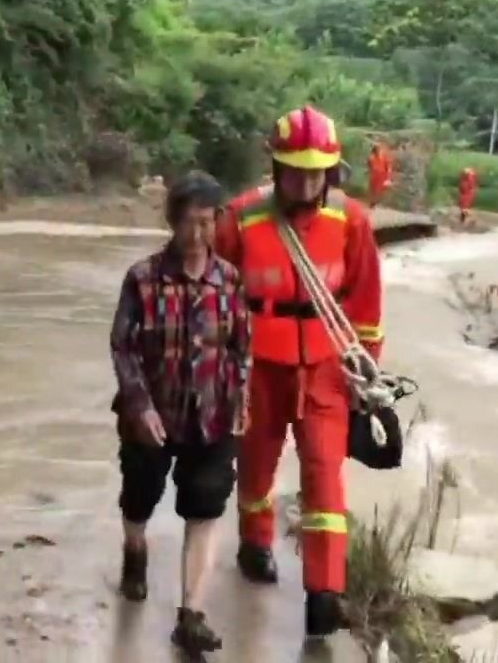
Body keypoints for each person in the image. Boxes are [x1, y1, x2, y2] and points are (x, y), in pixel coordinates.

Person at [215, 105, 383, 638]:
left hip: (328, 367)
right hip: (257, 363)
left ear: (331, 172)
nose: (306, 181)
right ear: (276, 166)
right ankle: (255, 541)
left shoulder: (350, 220)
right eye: (295, 170)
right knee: (257, 467)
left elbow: (365, 302)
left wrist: (366, 377)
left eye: (317, 171)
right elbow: (217, 298)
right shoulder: (241, 217)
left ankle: (324, 591)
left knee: (324, 476)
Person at [111, 171, 251, 656]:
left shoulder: (229, 280)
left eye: (207, 223)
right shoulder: (143, 277)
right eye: (189, 223)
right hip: (151, 415)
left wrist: (239, 400)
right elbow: (123, 347)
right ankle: (134, 548)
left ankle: (190, 614)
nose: (198, 235)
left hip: (211, 417)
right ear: (172, 222)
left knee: (206, 506)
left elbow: (240, 348)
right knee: (141, 494)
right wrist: (140, 405)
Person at [366, 142, 393, 208]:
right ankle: (372, 202)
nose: (379, 150)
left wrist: (388, 177)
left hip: (381, 175)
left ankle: (375, 202)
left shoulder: (384, 157)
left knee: (379, 190)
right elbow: (369, 165)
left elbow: (388, 167)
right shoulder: (371, 157)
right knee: (372, 189)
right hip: (374, 174)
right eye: (377, 149)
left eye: (379, 149)